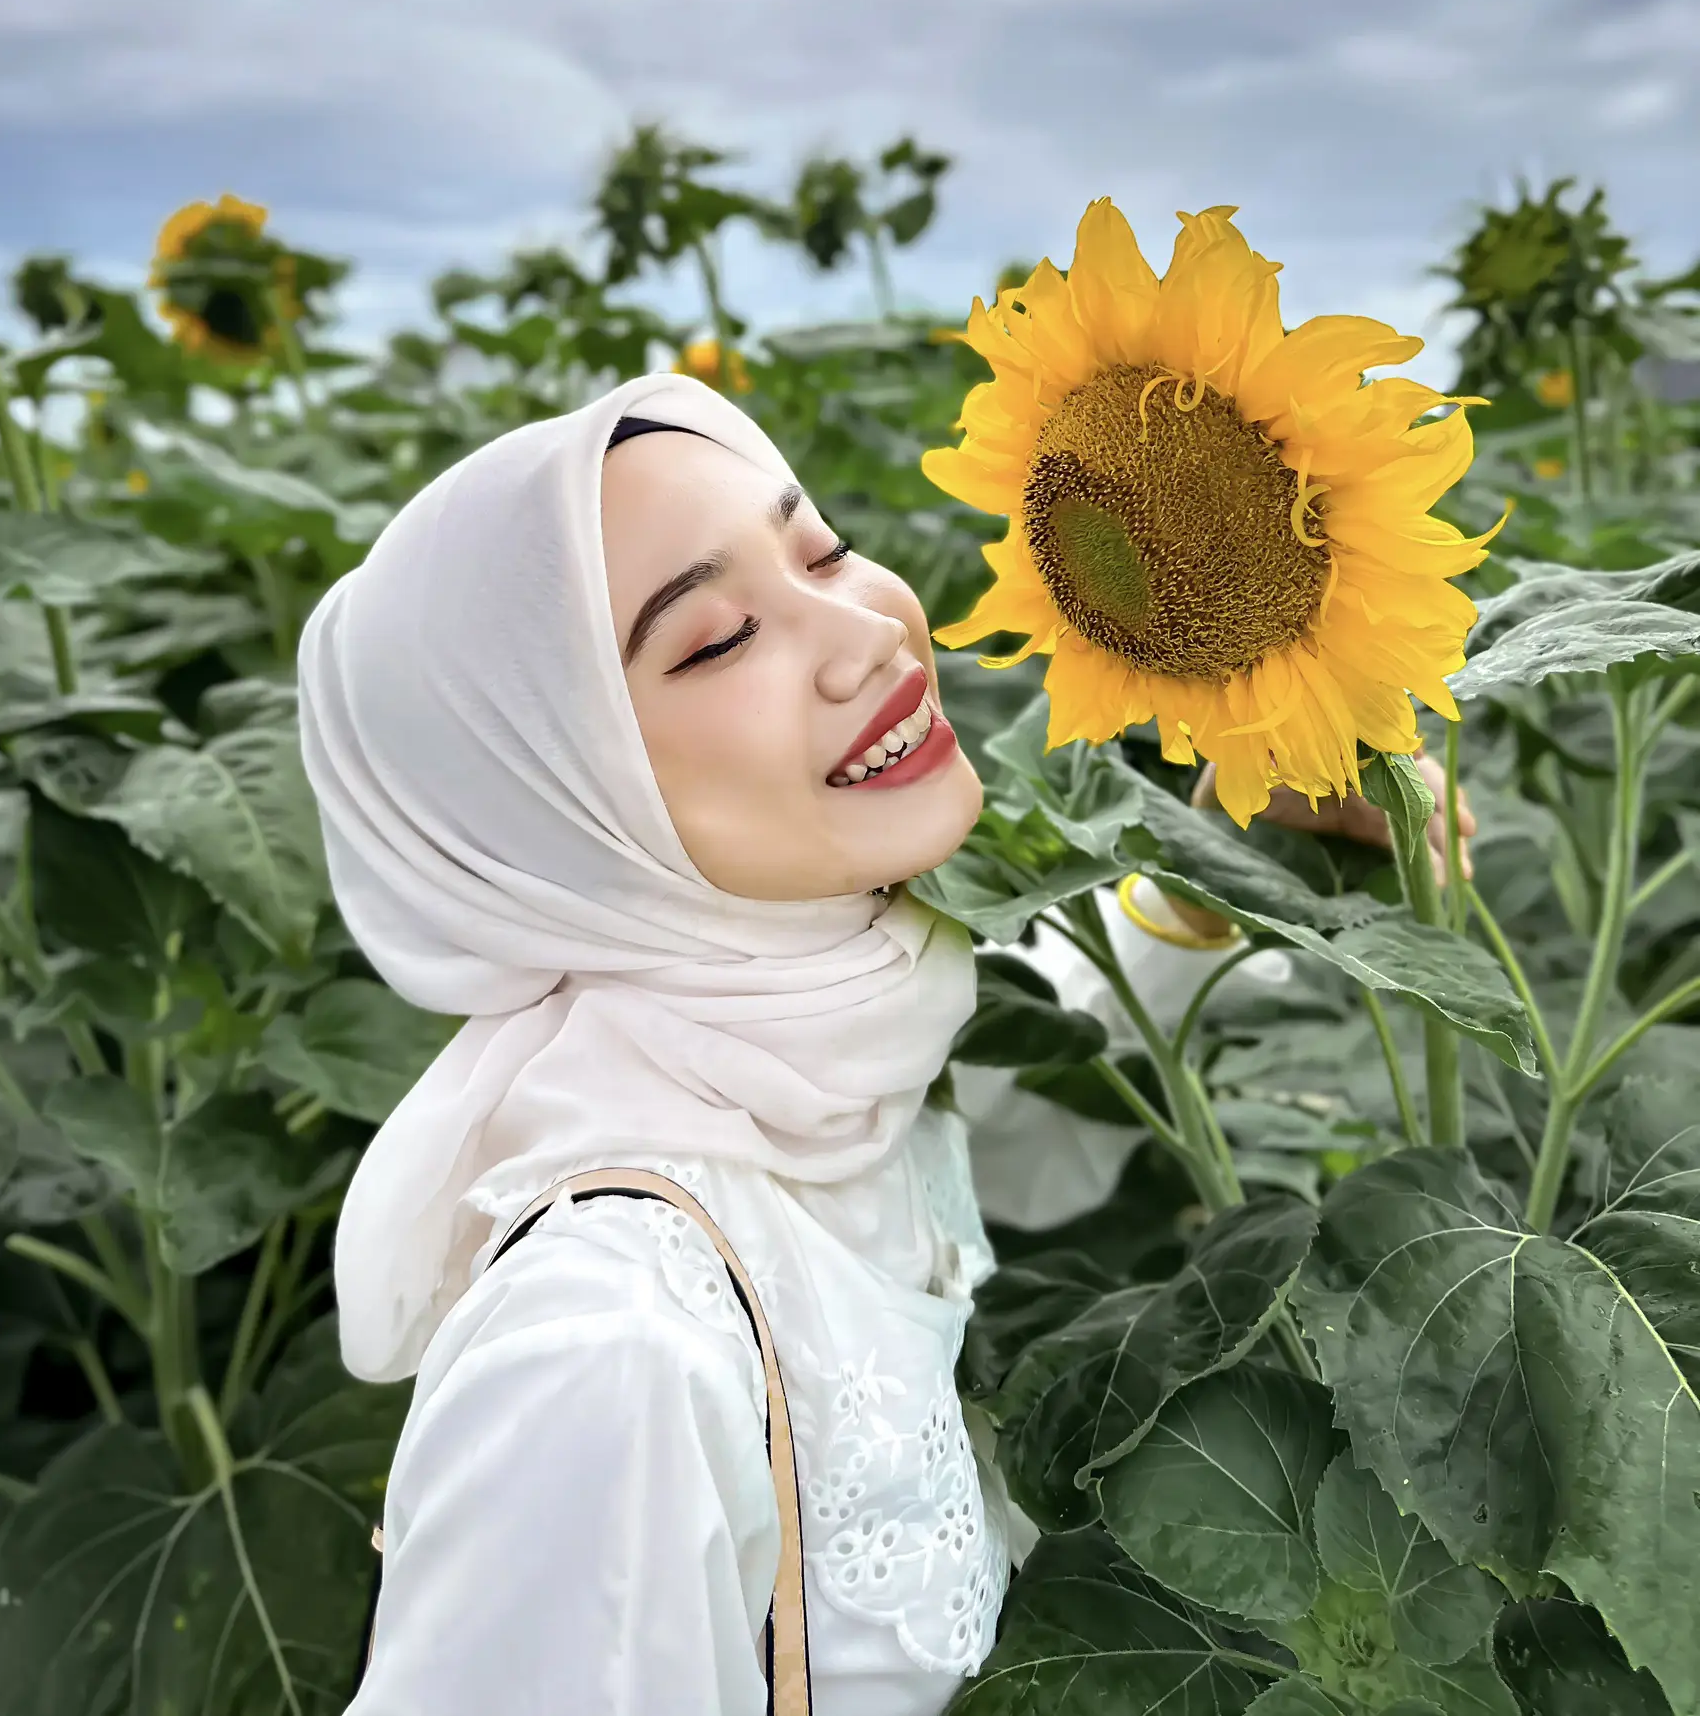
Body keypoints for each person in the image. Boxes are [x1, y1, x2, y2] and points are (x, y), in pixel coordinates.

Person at [297, 370, 1474, 1716]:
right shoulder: (606, 1356)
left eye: (822, 549)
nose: (866, 633)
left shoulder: (796, 1049)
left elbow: (1007, 1090)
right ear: (557, 808)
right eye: (720, 636)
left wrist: (1211, 867)